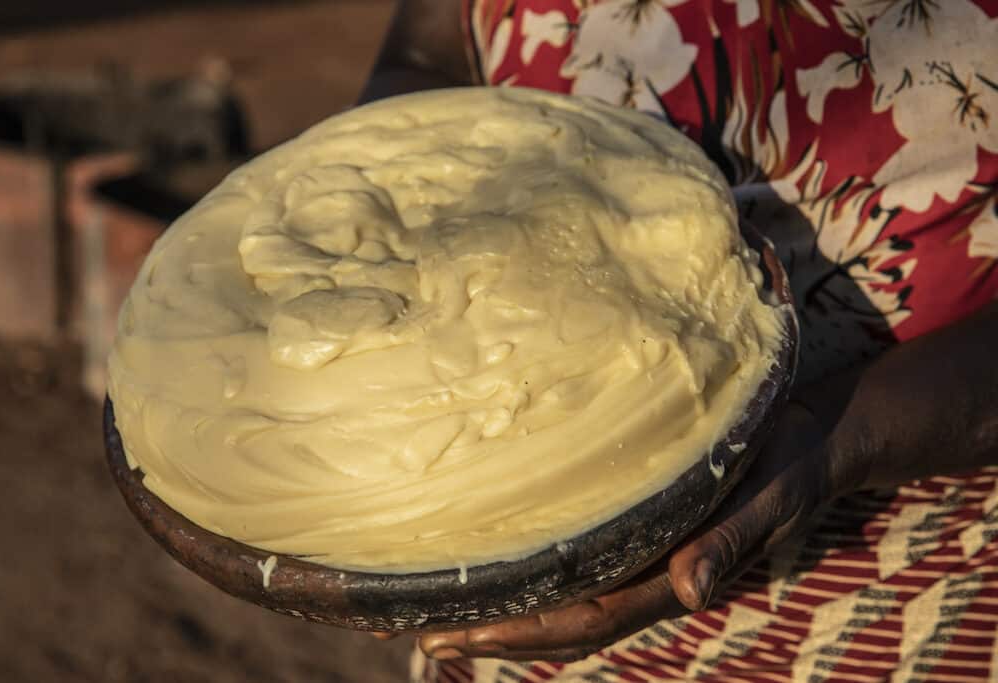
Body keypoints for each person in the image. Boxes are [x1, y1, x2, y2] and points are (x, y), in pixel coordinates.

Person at [361, 2, 998, 680]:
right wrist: (382, 194)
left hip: (900, 573)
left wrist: (838, 440)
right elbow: (426, 53)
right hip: (489, 560)